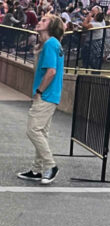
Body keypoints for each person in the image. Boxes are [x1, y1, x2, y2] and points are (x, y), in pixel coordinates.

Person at [17, 12, 64, 185]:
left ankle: (51, 165)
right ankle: (37, 169)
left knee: (33, 130)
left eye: (44, 20)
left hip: (46, 94)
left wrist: (39, 90)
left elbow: (51, 71)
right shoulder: (51, 44)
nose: (39, 21)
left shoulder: (51, 44)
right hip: (51, 94)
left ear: (51, 26)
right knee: (41, 132)